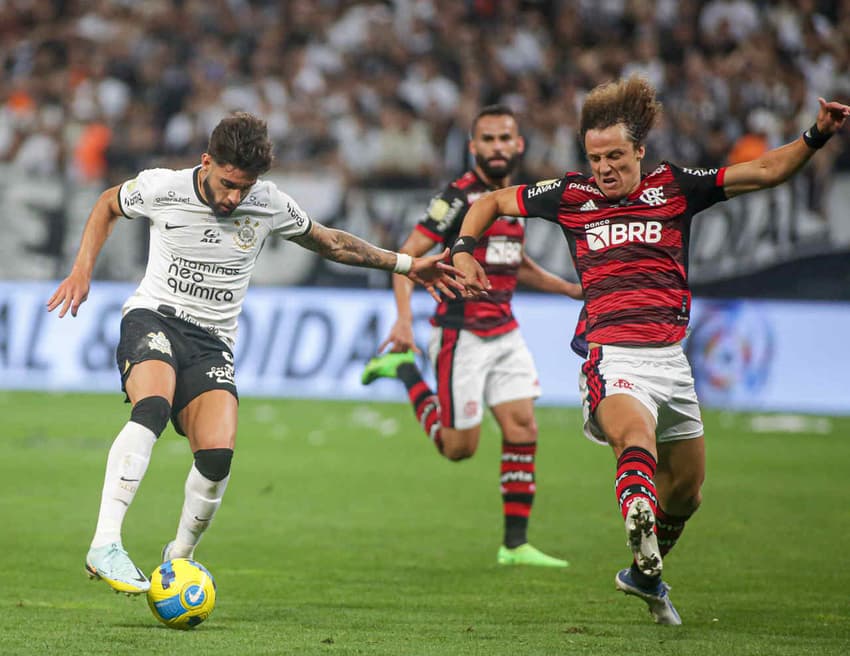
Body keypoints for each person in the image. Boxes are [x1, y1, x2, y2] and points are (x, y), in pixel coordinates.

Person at [450, 77, 849, 624]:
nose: (604, 168)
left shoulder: (677, 187)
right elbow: (493, 201)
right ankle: (636, 513)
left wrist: (816, 134)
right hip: (613, 355)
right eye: (595, 158)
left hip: (672, 361)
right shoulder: (570, 195)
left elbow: (765, 171)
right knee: (633, 440)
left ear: (640, 150)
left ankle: (643, 570)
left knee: (686, 492)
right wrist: (465, 248)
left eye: (615, 155)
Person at [46, 112, 465, 595]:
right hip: (153, 318)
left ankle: (177, 560)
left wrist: (408, 264)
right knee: (154, 404)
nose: (233, 198)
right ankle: (104, 544)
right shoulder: (163, 187)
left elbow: (330, 242)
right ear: (206, 162)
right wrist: (82, 270)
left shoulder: (269, 203)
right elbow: (107, 204)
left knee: (218, 457)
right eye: (227, 184)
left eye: (243, 188)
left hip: (212, 343)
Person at [361, 105, 583, 567]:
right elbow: (407, 255)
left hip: (504, 328)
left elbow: (514, 260)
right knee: (458, 448)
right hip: (460, 333)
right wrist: (403, 321)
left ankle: (515, 545)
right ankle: (405, 370)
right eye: (489, 139)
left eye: (506, 138)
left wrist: (565, 287)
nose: (498, 147)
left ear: (519, 144)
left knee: (523, 427)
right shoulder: (456, 199)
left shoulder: (519, 197)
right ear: (473, 147)